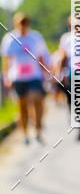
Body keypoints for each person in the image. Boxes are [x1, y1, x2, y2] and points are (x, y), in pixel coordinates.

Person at [1, 12, 50, 145]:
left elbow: (41, 57)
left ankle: (38, 130)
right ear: (16, 24)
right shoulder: (10, 39)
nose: (23, 25)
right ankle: (25, 133)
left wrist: (47, 71)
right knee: (22, 106)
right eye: (20, 23)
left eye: (25, 22)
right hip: (18, 77)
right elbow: (7, 60)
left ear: (28, 23)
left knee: (37, 100)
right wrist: (6, 77)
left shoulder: (35, 37)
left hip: (34, 76)